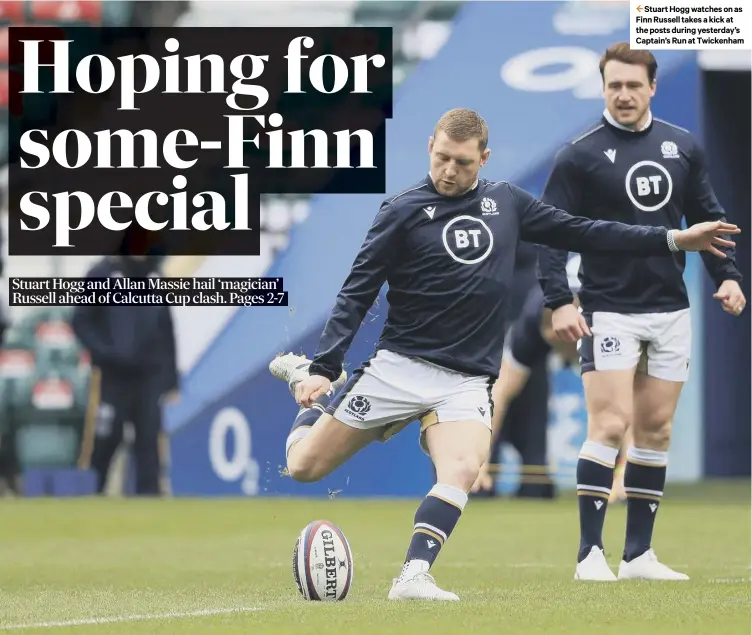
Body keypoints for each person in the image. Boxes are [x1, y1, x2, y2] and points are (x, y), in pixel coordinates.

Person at [269, 108, 738, 601]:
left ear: (484, 159)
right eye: (443, 158)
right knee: (304, 467)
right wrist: (324, 367)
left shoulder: (507, 202)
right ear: (430, 145)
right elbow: (356, 293)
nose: (450, 171)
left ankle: (413, 576)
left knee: (464, 469)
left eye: (464, 163)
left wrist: (669, 237)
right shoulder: (400, 211)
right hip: (398, 368)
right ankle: (314, 395)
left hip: (466, 380)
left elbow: (586, 230)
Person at [536, 43, 746, 582]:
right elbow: (550, 235)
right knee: (609, 423)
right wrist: (560, 299)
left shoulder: (683, 146)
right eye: (614, 85)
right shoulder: (577, 155)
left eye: (633, 85)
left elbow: (708, 219)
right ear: (603, 88)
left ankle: (637, 556)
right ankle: (589, 555)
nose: (623, 94)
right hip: (608, 309)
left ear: (652, 87)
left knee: (655, 430)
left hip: (670, 308)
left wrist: (728, 280)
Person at [471, 256, 583, 495]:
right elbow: (499, 396)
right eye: (553, 339)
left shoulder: (608, 316)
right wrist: (480, 459)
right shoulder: (530, 324)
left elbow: (630, 396)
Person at [73, 254, 179, 496]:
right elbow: (81, 320)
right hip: (112, 375)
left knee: (149, 439)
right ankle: (91, 494)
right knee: (106, 436)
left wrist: (171, 379)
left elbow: (166, 331)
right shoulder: (102, 274)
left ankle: (150, 497)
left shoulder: (155, 277)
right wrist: (104, 352)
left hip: (149, 376)